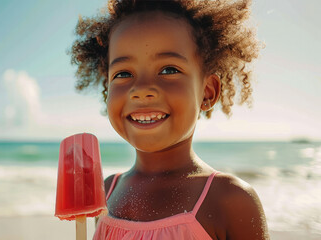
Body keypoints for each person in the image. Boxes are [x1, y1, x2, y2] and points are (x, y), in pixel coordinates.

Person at [70, 0, 269, 239]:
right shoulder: (106, 192)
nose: (141, 89)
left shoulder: (229, 200)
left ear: (207, 91)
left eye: (168, 70)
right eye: (123, 73)